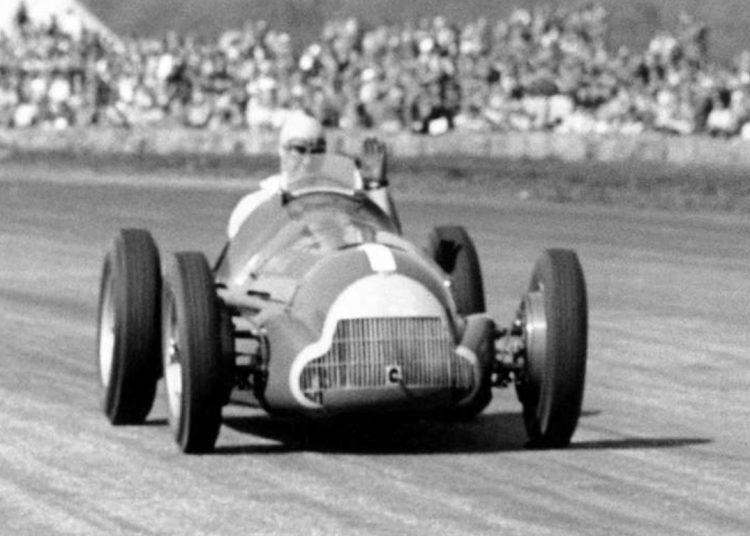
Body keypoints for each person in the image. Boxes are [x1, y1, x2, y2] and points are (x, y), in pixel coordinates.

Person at [227, 111, 399, 238]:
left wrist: (377, 186)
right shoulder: (255, 206)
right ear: (282, 150)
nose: (309, 160)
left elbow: (390, 247)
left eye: (317, 151)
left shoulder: (341, 204)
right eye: (299, 149)